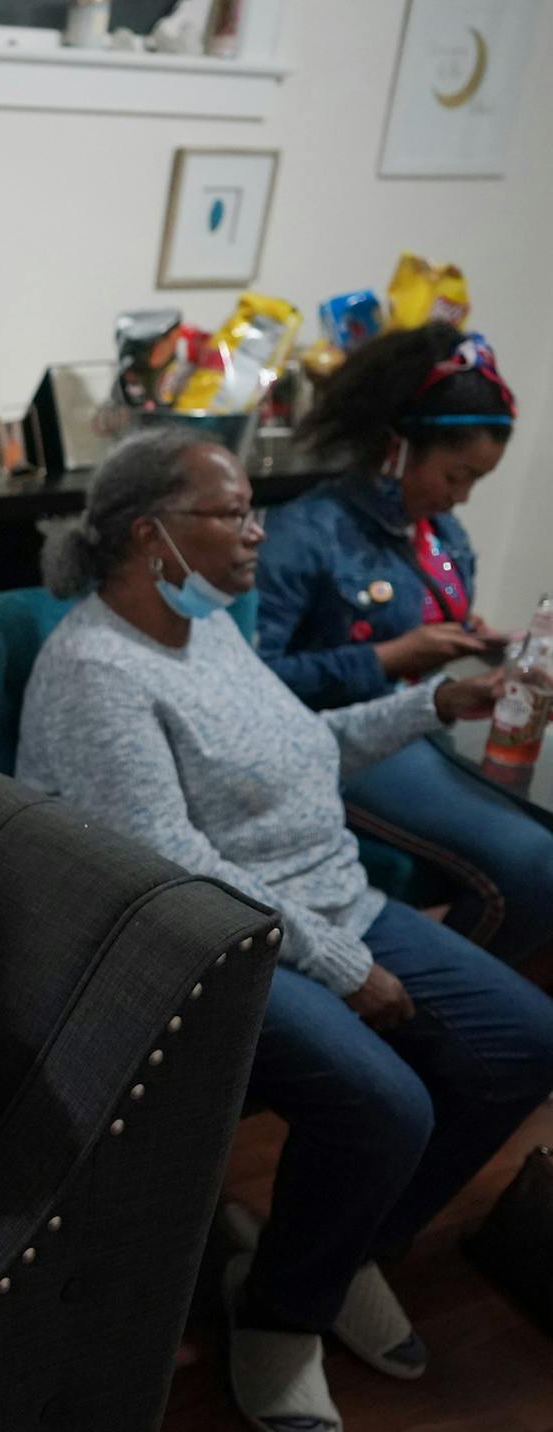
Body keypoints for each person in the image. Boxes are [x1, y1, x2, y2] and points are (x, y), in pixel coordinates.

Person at [19, 428, 553, 1432]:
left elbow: (309, 747)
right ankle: (278, 1315)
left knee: (526, 1044)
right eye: (234, 512)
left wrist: (432, 702)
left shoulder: (209, 627)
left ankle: (338, 1251)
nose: (258, 531)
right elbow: (175, 861)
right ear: (152, 534)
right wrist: (346, 967)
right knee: (386, 1106)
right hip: (216, 940)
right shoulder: (95, 671)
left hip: (329, 899)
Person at [258, 326, 553, 963]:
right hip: (343, 741)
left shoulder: (441, 536)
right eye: (456, 475)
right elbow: (253, 682)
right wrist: (388, 658)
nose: (462, 497)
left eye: (476, 481)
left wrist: (488, 643)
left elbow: (441, 612)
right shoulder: (304, 534)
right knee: (537, 862)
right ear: (397, 448)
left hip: (428, 723)